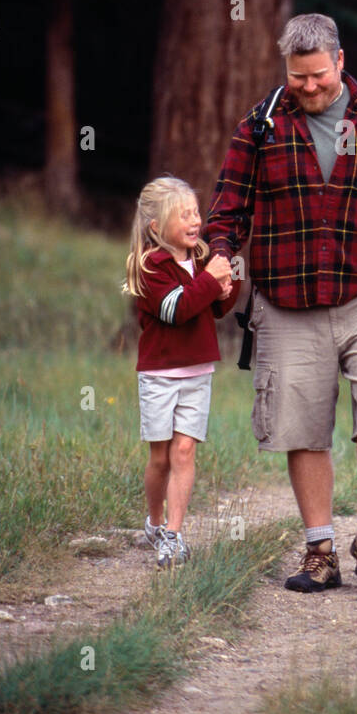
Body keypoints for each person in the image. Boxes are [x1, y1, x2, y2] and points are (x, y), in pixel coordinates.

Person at [206, 13, 357, 592]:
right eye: (296, 77)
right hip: (286, 299)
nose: (307, 87)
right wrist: (219, 253)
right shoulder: (259, 126)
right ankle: (320, 551)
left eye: (316, 76)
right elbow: (228, 208)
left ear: (339, 61)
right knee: (301, 424)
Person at [124, 176, 240, 569]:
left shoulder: (201, 261)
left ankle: (172, 535)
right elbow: (177, 309)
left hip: (198, 372)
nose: (195, 221)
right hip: (159, 374)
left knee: (185, 451)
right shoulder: (151, 267)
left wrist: (226, 288)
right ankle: (154, 522)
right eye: (183, 215)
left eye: (196, 212)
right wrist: (209, 283)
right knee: (160, 458)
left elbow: (214, 308)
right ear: (157, 228)